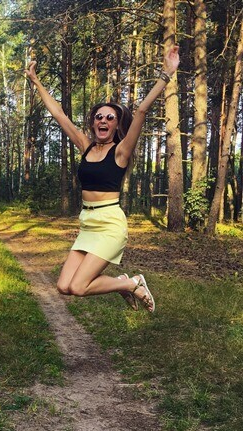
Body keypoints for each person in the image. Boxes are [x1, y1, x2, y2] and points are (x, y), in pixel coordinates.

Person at [24, 44, 180, 313]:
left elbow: (141, 112)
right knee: (63, 286)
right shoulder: (86, 146)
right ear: (93, 123)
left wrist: (166, 75)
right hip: (87, 223)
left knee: (79, 286)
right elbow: (59, 114)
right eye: (99, 117)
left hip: (109, 224)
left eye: (110, 117)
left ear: (116, 124)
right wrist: (36, 81)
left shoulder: (120, 151)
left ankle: (131, 283)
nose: (103, 120)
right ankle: (124, 283)